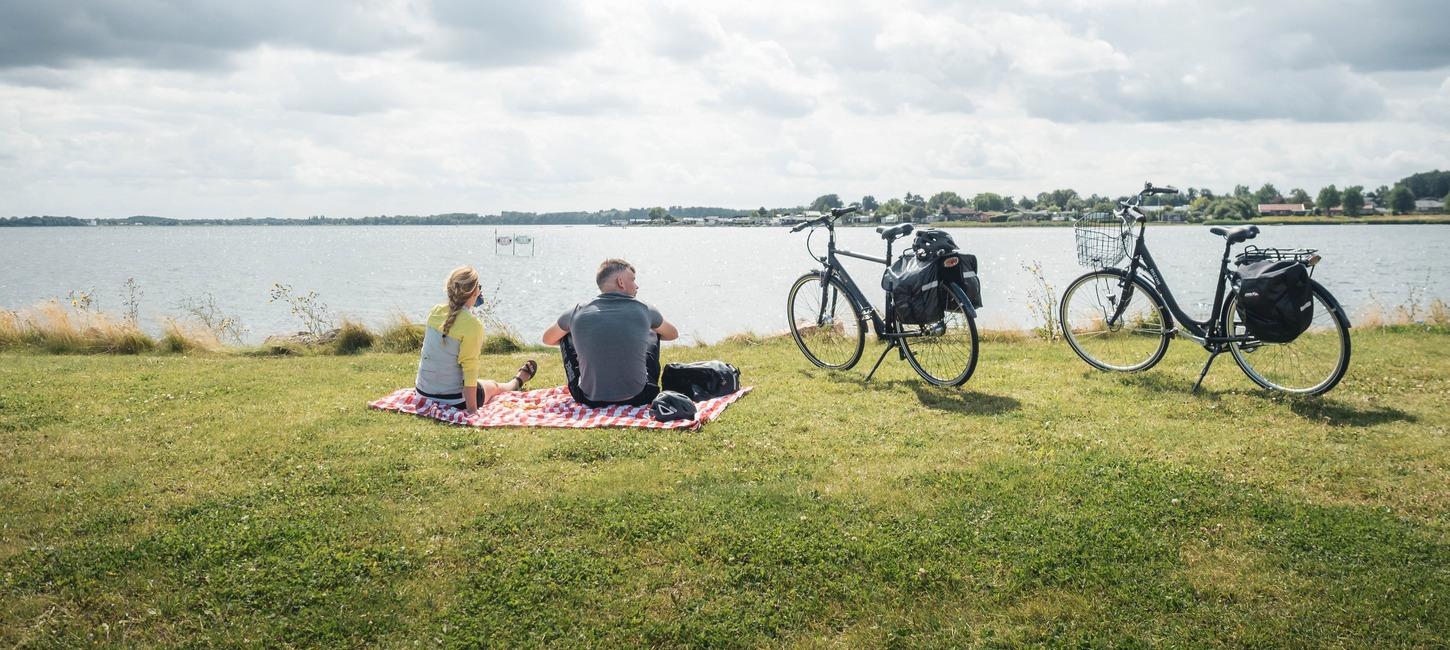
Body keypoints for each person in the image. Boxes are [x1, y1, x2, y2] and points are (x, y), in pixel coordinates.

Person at [542, 258, 678, 407]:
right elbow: (672, 334)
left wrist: (581, 336)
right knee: (653, 331)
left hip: (588, 398)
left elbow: (548, 339)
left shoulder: (577, 311)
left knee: (566, 334)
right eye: (633, 280)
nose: (637, 286)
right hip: (640, 396)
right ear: (621, 282)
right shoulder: (645, 309)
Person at [415, 266, 536, 412]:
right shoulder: (473, 325)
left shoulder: (435, 311)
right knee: (494, 386)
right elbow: (469, 369)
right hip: (454, 400)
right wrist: (472, 410)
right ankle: (516, 382)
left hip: (423, 393)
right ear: (475, 292)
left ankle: (515, 381)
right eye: (478, 286)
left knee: (478, 382)